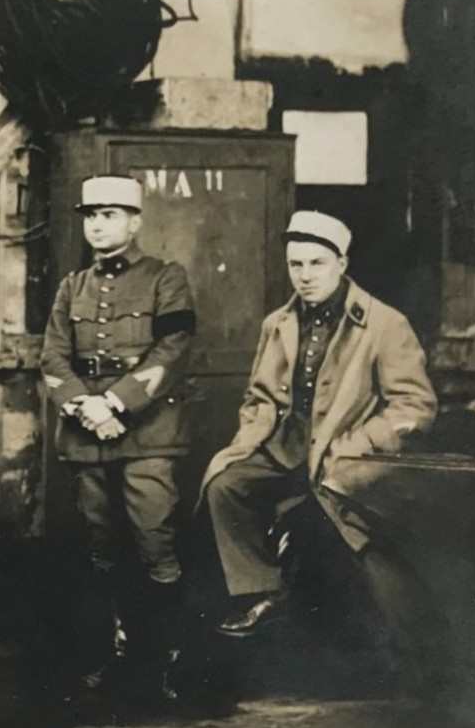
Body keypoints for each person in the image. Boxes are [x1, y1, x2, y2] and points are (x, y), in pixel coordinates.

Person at [201, 211, 443, 685]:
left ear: (341, 263)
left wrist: (361, 443)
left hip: (350, 455)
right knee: (224, 485)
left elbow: (416, 406)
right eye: (296, 265)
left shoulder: (384, 324)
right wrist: (253, 434)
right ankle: (263, 592)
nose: (306, 276)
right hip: (286, 447)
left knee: (355, 536)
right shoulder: (279, 322)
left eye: (317, 264)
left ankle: (415, 660)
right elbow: (259, 396)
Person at [40, 175, 195, 701]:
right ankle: (115, 653)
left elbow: (173, 348)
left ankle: (168, 659)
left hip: (149, 434)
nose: (98, 225)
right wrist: (84, 405)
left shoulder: (165, 278)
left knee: (156, 542)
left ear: (134, 222)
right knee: (100, 545)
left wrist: (116, 403)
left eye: (110, 215)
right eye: (91, 216)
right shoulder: (72, 286)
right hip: (87, 434)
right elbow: (53, 356)